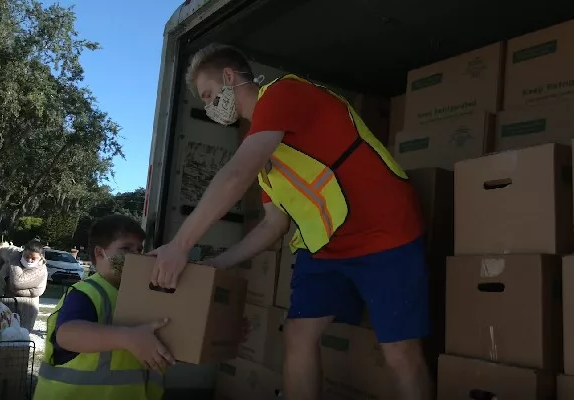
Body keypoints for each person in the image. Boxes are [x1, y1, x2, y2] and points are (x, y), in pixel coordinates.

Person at [149, 43, 431, 400]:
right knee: (298, 334)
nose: (209, 107)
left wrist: (179, 245)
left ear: (229, 77)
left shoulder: (284, 93)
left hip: (386, 233)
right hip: (328, 248)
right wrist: (214, 265)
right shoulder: (267, 158)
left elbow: (236, 174)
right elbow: (272, 225)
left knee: (400, 352)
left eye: (208, 95)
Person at [33, 215, 170, 400]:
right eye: (126, 249)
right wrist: (128, 338)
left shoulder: (137, 295)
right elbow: (67, 335)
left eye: (139, 250)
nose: (136, 256)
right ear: (100, 253)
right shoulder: (86, 293)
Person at [0, 239, 48, 331]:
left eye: (33, 258)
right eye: (27, 256)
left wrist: (13, 261)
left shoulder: (40, 270)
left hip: (25, 307)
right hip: (1, 302)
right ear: (23, 251)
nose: (29, 260)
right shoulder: (14, 253)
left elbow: (17, 283)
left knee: (17, 336)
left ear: (41, 257)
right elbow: (2, 252)